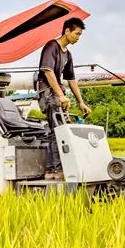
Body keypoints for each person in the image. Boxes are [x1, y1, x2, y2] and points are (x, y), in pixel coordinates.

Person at [37, 17, 92, 180]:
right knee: (57, 131)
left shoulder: (68, 54)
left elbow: (71, 79)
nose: (78, 38)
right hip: (48, 93)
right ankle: (53, 170)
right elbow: (47, 71)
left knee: (61, 130)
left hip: (58, 94)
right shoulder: (51, 46)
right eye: (76, 34)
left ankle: (58, 168)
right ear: (67, 31)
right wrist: (60, 95)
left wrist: (81, 102)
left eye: (80, 35)